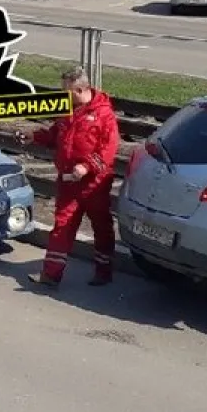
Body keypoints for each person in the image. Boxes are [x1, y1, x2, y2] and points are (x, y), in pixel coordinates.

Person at [30, 67, 122, 288]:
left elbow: (108, 150)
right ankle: (51, 275)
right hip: (68, 182)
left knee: (101, 226)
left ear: (80, 90)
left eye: (67, 91)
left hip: (94, 184)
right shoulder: (67, 110)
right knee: (62, 225)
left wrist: (87, 167)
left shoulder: (104, 115)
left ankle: (103, 270)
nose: (62, 95)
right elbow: (55, 135)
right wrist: (33, 137)